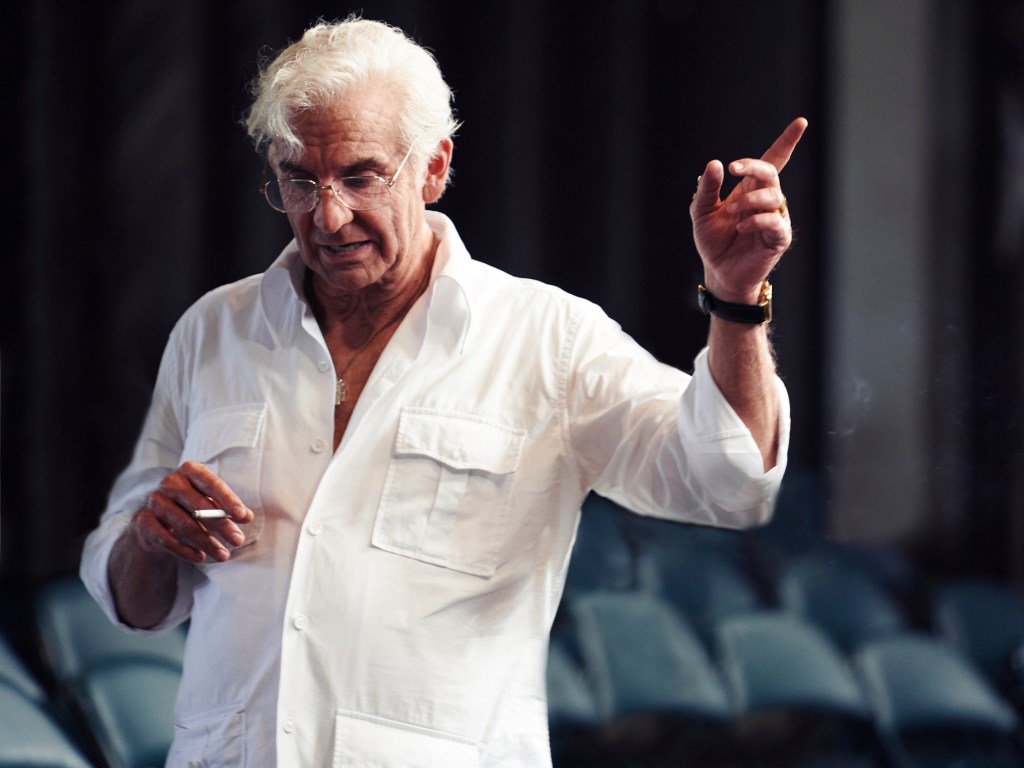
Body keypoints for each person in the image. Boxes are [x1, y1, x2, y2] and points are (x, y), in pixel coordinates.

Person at [81, 15, 805, 767]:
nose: (327, 218)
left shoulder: (546, 339)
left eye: (361, 177)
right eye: (299, 179)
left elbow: (727, 483)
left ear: (432, 168)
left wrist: (734, 295)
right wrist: (147, 535)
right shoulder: (212, 332)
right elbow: (134, 605)